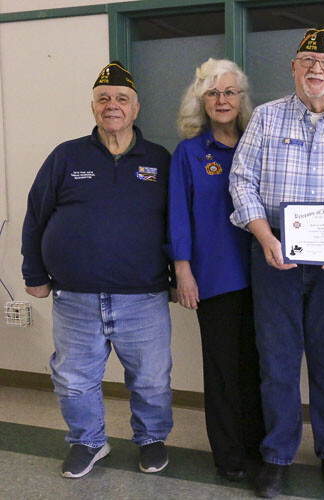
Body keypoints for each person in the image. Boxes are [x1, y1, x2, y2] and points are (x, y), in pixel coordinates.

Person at [229, 27, 324, 498]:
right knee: (277, 362)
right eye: (307, 59)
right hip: (273, 259)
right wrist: (264, 235)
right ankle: (277, 454)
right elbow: (241, 182)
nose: (316, 68)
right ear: (294, 67)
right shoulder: (266, 120)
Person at [21, 61, 173, 478]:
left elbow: (178, 223)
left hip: (143, 296)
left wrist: (181, 275)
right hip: (74, 296)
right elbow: (36, 216)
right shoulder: (66, 156)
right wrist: (33, 273)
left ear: (136, 108)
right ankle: (88, 441)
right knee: (73, 378)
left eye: (121, 99)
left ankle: (151, 438)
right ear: (93, 107)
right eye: (104, 99)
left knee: (151, 379)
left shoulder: (159, 160)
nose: (112, 105)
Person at [167, 58, 264, 482]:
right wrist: (182, 271)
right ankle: (229, 456)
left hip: (265, 275)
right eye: (213, 93)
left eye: (229, 92)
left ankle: (259, 448)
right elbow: (178, 216)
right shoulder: (189, 153)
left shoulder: (257, 144)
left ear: (241, 99)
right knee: (224, 370)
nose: (222, 100)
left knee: (259, 367)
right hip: (216, 278)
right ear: (201, 101)